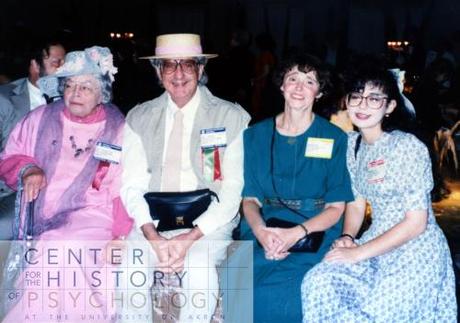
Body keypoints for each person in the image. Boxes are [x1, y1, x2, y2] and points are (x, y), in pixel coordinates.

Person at [301, 64, 457, 322]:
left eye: (374, 99)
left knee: (377, 311)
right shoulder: (353, 145)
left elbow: (416, 223)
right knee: (319, 281)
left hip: (415, 250)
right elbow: (356, 203)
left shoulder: (406, 147)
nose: (363, 105)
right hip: (375, 240)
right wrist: (348, 236)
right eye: (357, 96)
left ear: (391, 107)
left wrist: (357, 253)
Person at [120, 33, 250, 322]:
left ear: (201, 69)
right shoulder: (138, 117)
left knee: (201, 274)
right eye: (169, 65)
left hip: (208, 224)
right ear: (158, 71)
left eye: (187, 65)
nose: (178, 74)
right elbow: (131, 185)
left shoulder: (231, 117)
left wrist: (191, 237)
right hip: (151, 223)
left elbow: (232, 189)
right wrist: (152, 236)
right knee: (130, 273)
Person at [0, 46, 133, 322]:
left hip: (95, 216)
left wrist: (120, 236)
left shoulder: (117, 129)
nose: (75, 93)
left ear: (102, 93)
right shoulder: (40, 118)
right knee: (52, 243)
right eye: (70, 85)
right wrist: (28, 169)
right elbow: (10, 155)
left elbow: (124, 187)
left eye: (86, 86)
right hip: (41, 213)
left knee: (62, 244)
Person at [238, 53, 353, 322]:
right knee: (238, 283)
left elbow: (337, 207)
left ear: (320, 91)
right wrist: (261, 232)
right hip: (263, 225)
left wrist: (296, 234)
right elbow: (250, 199)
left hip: (314, 227)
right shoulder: (255, 135)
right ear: (281, 85)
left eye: (310, 81)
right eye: (293, 79)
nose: (299, 88)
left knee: (284, 293)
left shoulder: (334, 137)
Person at [0, 40, 66, 240]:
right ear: (35, 66)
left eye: (66, 63)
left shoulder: (74, 97)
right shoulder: (4, 99)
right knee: (4, 226)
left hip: (60, 190)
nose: (64, 69)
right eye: (57, 62)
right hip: (11, 188)